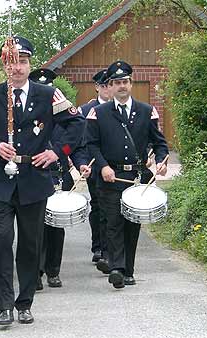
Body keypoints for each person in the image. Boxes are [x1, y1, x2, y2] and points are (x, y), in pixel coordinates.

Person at [0, 36, 84, 326]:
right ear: (3, 64)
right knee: (2, 238)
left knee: (31, 243)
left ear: (30, 63)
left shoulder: (49, 94)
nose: (17, 68)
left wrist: (56, 152)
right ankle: (3, 305)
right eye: (11, 62)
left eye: (22, 62)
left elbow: (76, 125)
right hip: (0, 178)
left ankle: (25, 302)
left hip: (34, 177)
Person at [85, 60, 169, 289]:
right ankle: (116, 269)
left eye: (125, 82)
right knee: (113, 222)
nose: (121, 86)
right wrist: (102, 166)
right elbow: (91, 144)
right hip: (110, 177)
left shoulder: (146, 111)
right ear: (110, 86)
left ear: (131, 84)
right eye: (117, 83)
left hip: (137, 178)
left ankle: (128, 270)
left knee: (132, 224)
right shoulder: (98, 113)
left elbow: (160, 143)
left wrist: (161, 161)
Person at [28, 67, 91, 290]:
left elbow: (76, 144)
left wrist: (81, 162)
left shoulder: (63, 117)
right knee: (34, 228)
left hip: (58, 176)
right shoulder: (27, 115)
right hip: (34, 176)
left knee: (56, 226)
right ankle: (34, 272)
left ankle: (53, 271)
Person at [78, 70, 111, 270]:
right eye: (104, 85)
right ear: (97, 87)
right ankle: (98, 246)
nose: (108, 89)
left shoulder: (120, 109)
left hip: (115, 166)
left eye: (110, 85)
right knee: (98, 206)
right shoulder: (86, 110)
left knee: (113, 208)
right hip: (94, 165)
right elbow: (82, 140)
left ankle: (111, 248)